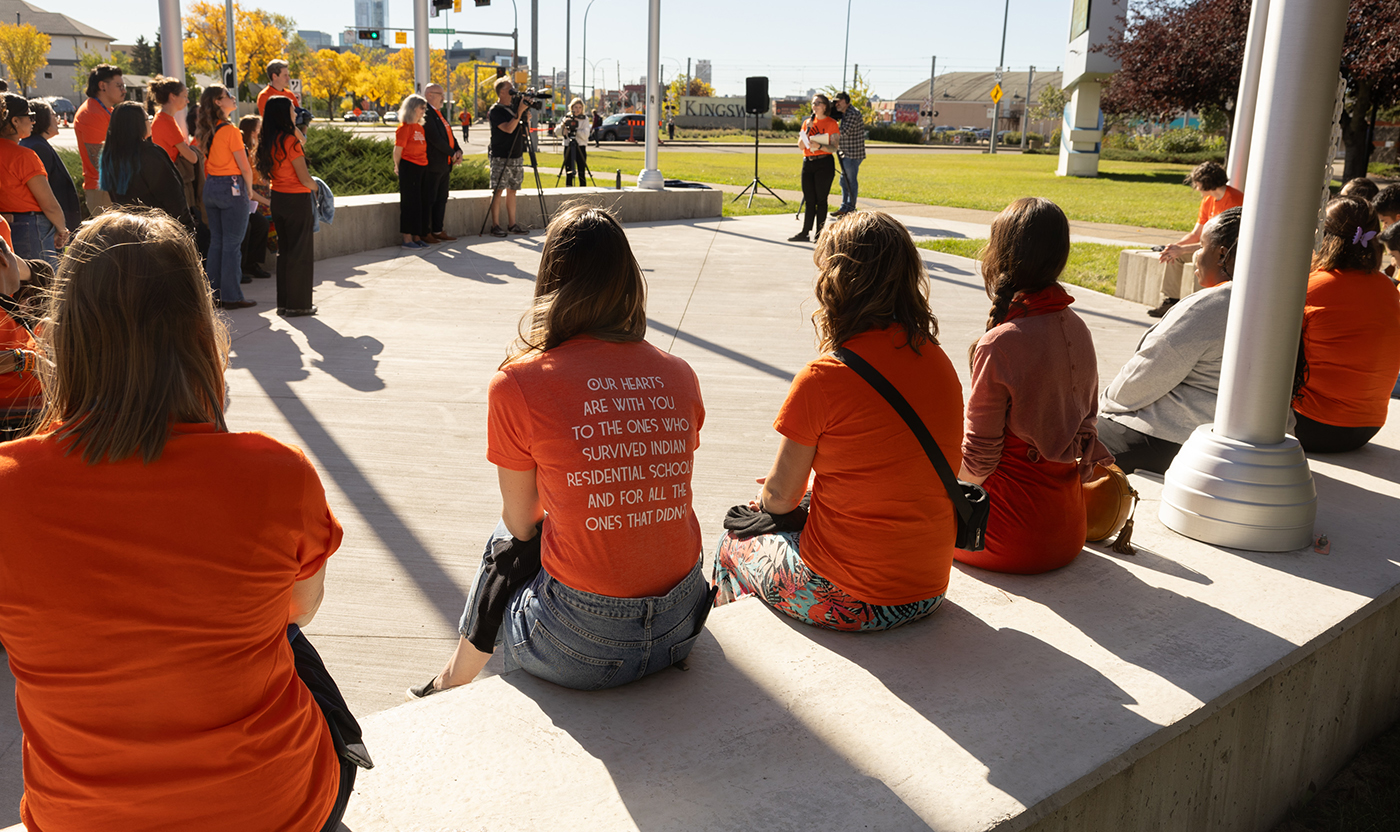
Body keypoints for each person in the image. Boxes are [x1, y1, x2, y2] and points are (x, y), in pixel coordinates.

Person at [0, 209, 358, 832]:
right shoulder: (277, 475)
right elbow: (296, 612)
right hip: (272, 809)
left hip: (80, 818)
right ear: (200, 331)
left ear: (64, 336)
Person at [409, 205, 709, 696]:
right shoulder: (679, 373)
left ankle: (450, 678)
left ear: (551, 278)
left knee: (503, 538)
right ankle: (450, 677)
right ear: (630, 282)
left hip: (581, 646)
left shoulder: (519, 382)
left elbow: (522, 522)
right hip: (682, 622)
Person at [712, 211, 963, 630]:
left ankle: (750, 658)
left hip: (852, 598)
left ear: (837, 284)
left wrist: (778, 496)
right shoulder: (938, 361)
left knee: (733, 542)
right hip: (929, 589)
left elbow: (778, 500)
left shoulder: (823, 377)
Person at [955, 197, 1113, 575]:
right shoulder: (1078, 327)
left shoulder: (1002, 343)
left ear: (999, 255)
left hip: (1003, 540)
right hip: (1067, 534)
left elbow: (978, 459)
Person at [1099, 208, 1242, 475]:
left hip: (1176, 441)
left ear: (1222, 254)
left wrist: (1105, 404)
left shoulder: (1211, 307)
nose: (1196, 255)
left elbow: (1142, 378)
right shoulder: (1277, 302)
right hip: (1235, 444)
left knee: (1067, 442)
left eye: (1201, 246)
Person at [1292, 196, 1400, 453]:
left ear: (1323, 238)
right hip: (1366, 429)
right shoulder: (1388, 288)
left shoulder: (1310, 287)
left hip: (1309, 425)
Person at [198, 85, 268, 309]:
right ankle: (232, 295)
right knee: (231, 245)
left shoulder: (208, 129)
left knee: (217, 242)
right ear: (218, 102)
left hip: (212, 187)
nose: (233, 97)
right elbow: (245, 167)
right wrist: (249, 190)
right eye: (228, 95)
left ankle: (214, 295)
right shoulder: (230, 131)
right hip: (232, 186)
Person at [1151, 161, 1243, 317]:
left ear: (1207, 181)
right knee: (1175, 255)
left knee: (1198, 256)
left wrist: (1184, 249)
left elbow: (1221, 244)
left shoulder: (1234, 200)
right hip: (1209, 247)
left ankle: (1199, 305)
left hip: (1226, 252)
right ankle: (1170, 301)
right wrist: (1175, 247)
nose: (1195, 186)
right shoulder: (1208, 200)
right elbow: (1196, 234)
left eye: (1197, 182)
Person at [256, 96, 319, 318]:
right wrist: (317, 188)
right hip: (296, 200)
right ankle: (299, 305)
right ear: (284, 114)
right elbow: (304, 178)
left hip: (279, 199)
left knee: (285, 253)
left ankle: (284, 303)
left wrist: (293, 129)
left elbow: (301, 140)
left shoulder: (269, 139)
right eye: (292, 110)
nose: (296, 113)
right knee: (300, 253)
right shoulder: (290, 141)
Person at [100, 101, 195, 233]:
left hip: (130, 230)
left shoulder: (110, 156)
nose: (150, 122)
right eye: (147, 118)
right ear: (137, 124)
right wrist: (187, 227)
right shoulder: (149, 154)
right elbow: (172, 196)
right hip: (160, 231)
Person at [0, 94, 69, 266]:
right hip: (31, 228)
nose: (33, 122)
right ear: (14, 121)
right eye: (30, 117)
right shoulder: (24, 156)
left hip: (5, 225)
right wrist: (61, 229)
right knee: (44, 284)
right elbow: (48, 203)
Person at [19, 100, 80, 238]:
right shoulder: (37, 147)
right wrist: (60, 227)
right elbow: (43, 192)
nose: (57, 119)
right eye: (53, 114)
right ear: (43, 119)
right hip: (47, 227)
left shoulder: (35, 144)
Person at [74, 63, 126, 216]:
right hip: (103, 191)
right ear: (102, 86)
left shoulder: (106, 110)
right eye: (119, 86)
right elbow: (98, 160)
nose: (124, 90)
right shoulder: (91, 113)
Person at [787, 94, 839, 244]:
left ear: (824, 106)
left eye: (817, 103)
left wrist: (820, 146)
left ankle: (819, 234)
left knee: (821, 200)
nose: (814, 106)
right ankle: (805, 232)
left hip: (824, 163)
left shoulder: (831, 123)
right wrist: (808, 131)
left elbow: (834, 147)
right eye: (813, 103)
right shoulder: (807, 122)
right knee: (809, 200)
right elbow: (801, 145)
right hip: (808, 163)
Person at [487, 77, 529, 237]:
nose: (514, 93)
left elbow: (524, 132)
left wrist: (524, 117)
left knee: (513, 190)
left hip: (516, 155)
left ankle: (512, 224)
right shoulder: (496, 110)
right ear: (502, 92)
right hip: (500, 156)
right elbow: (508, 129)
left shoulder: (513, 110)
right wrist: (519, 112)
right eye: (510, 89)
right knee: (498, 190)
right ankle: (495, 225)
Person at [422, 84, 462, 243]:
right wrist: (452, 153)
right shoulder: (427, 113)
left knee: (441, 198)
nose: (443, 98)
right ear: (430, 94)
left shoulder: (440, 113)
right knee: (430, 198)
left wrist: (458, 150)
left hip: (445, 164)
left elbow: (449, 135)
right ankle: (426, 232)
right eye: (440, 94)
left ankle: (438, 230)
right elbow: (435, 139)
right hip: (433, 164)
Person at [394, 93, 433, 250]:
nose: (424, 111)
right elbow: (397, 151)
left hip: (422, 167)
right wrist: (399, 167)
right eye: (421, 108)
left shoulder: (419, 128)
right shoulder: (404, 128)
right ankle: (407, 238)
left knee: (421, 203)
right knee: (410, 203)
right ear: (412, 109)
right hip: (409, 167)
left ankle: (417, 237)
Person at [239, 114, 272, 281]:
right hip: (249, 198)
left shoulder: (256, 150)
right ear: (252, 131)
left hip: (256, 197)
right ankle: (244, 265)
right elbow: (248, 185)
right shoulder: (244, 151)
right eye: (259, 127)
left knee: (261, 224)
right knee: (256, 225)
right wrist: (267, 201)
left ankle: (252, 264)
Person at [148, 76, 200, 167]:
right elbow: (193, 158)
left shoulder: (162, 117)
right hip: (168, 174)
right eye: (184, 96)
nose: (187, 101)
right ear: (173, 96)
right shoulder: (166, 122)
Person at [830, 91, 867, 218]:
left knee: (850, 181)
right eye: (835, 101)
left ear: (847, 101)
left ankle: (850, 208)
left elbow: (843, 132)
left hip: (853, 153)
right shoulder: (844, 113)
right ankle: (845, 207)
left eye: (839, 101)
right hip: (846, 152)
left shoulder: (852, 113)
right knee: (843, 181)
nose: (837, 104)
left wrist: (827, 132)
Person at [553, 97, 592, 187]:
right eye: (575, 107)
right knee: (568, 171)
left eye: (580, 107)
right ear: (572, 107)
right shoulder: (567, 117)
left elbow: (586, 135)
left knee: (581, 171)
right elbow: (556, 131)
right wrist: (564, 125)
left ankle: (583, 191)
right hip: (568, 146)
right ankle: (569, 189)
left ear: (582, 108)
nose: (577, 110)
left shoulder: (584, 119)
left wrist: (575, 129)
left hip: (580, 147)